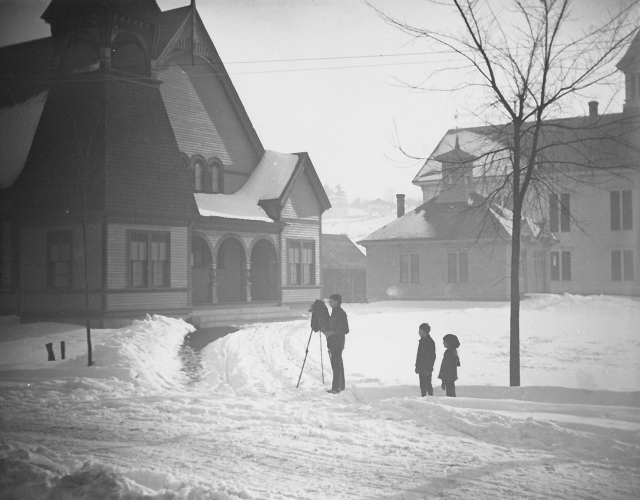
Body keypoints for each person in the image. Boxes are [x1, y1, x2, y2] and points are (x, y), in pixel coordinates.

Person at [324, 293, 348, 394]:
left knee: (336, 364)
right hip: (334, 342)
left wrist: (332, 332)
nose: (330, 303)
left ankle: (336, 388)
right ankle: (340, 386)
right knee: (337, 364)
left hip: (338, 342)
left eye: (331, 301)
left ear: (336, 302)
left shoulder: (340, 313)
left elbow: (345, 329)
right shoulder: (334, 312)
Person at [415, 323, 436, 396]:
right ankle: (423, 398)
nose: (419, 333)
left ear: (424, 332)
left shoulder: (430, 342)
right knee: (422, 386)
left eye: (420, 331)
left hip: (426, 368)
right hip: (421, 367)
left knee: (428, 385)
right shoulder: (422, 342)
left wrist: (428, 368)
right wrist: (417, 366)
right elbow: (419, 355)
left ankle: (430, 398)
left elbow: (431, 357)